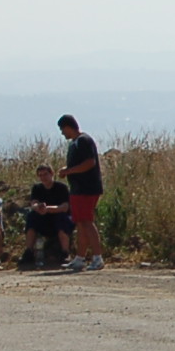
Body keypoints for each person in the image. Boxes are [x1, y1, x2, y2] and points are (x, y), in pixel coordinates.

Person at [58, 113, 105, 271]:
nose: (62, 133)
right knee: (80, 222)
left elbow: (90, 162)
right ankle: (80, 258)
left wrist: (69, 171)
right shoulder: (74, 143)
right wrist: (67, 170)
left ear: (68, 127)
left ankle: (97, 257)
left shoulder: (84, 140)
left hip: (87, 188)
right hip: (77, 189)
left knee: (87, 221)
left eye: (62, 129)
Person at [19, 162, 74, 266]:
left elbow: (65, 207)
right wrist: (38, 207)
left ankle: (65, 252)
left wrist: (48, 209)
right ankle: (29, 251)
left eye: (45, 174)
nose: (43, 177)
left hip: (58, 217)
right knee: (31, 217)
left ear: (51, 173)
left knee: (62, 219)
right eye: (40, 175)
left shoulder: (61, 187)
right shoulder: (37, 188)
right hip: (43, 219)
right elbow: (33, 203)